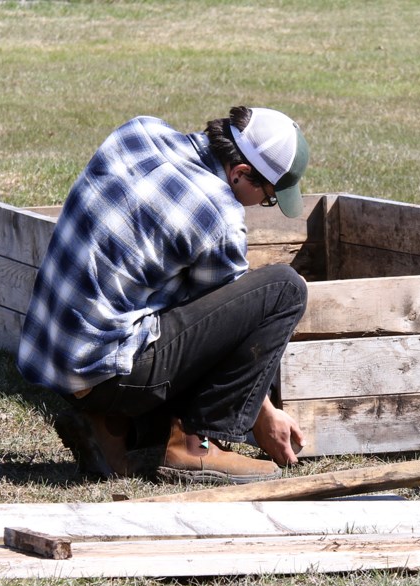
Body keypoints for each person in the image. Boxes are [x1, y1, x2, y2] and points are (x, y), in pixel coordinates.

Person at [17, 105, 311, 484]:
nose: (264, 206)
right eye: (269, 196)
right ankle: (193, 443)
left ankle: (110, 427)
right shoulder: (220, 214)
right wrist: (264, 414)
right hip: (107, 372)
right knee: (284, 289)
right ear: (240, 173)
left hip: (55, 357)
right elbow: (222, 333)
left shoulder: (138, 132)